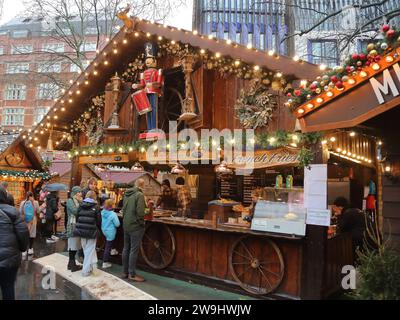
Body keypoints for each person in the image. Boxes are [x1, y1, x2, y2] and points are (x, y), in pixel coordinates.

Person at [0, 186, 29, 300]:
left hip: (9, 258)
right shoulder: (13, 211)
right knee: (8, 288)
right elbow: (23, 234)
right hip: (10, 259)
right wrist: (21, 249)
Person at [121, 179, 146, 282]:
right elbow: (140, 213)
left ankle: (124, 272)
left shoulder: (126, 194)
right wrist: (142, 222)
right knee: (133, 250)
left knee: (126, 248)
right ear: (142, 185)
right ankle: (132, 274)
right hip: (135, 226)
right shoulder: (139, 195)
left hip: (126, 224)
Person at [73, 191, 101, 277]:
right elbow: (99, 221)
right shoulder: (96, 207)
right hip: (92, 231)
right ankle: (85, 271)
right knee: (89, 250)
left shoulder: (80, 206)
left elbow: (77, 218)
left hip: (81, 231)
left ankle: (93, 266)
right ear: (94, 197)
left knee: (87, 250)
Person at [66, 186, 83, 272]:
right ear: (75, 193)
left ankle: (70, 264)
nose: (80, 194)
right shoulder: (70, 201)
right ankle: (72, 265)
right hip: (72, 225)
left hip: (77, 224)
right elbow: (75, 211)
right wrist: (80, 203)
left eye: (80, 192)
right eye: (79, 192)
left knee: (75, 245)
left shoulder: (78, 201)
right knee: (72, 245)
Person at [101, 199, 120, 269]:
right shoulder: (113, 214)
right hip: (110, 231)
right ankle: (105, 262)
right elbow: (117, 224)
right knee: (108, 246)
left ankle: (113, 250)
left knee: (109, 242)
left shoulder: (102, 212)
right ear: (111, 206)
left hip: (104, 230)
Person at [19, 192, 40, 257]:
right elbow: (38, 211)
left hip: (25, 220)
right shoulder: (36, 202)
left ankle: (24, 250)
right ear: (32, 196)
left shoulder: (23, 202)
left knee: (25, 234)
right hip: (32, 220)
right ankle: (30, 249)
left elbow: (20, 212)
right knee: (32, 234)